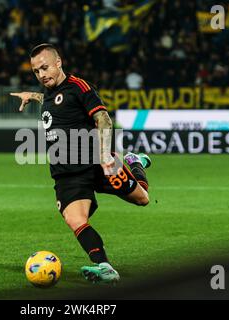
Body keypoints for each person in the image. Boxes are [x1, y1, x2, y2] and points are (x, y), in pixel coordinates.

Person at [10, 43, 152, 284]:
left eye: (45, 68)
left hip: (98, 164)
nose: (41, 74)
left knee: (142, 198)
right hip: (67, 175)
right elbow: (48, 98)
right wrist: (30, 96)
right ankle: (105, 266)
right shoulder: (48, 93)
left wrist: (106, 157)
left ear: (58, 63)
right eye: (36, 71)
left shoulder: (79, 86)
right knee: (76, 219)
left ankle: (134, 162)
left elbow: (103, 119)